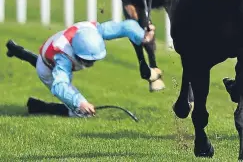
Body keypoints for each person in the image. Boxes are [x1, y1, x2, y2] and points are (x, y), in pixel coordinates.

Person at [5, 20, 155, 117]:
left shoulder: (94, 31)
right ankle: (38, 106)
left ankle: (16, 50)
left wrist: (143, 36)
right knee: (82, 113)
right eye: (87, 60)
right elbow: (59, 86)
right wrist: (79, 102)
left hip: (50, 48)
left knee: (41, 61)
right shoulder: (63, 58)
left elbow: (125, 27)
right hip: (47, 68)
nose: (91, 64)